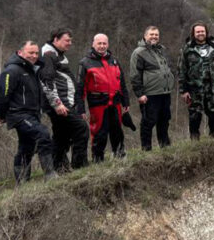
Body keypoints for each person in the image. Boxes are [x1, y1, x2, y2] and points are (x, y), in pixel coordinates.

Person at [0, 40, 57, 183]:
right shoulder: (12, 70)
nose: (34, 56)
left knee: (26, 147)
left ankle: (22, 183)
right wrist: (1, 114)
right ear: (21, 52)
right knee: (43, 134)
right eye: (30, 53)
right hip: (19, 115)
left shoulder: (33, 69)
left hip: (33, 114)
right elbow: (2, 95)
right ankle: (50, 175)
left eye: (36, 53)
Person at [76, 33, 130, 162]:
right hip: (98, 104)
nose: (102, 46)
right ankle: (98, 160)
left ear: (108, 44)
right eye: (99, 43)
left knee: (117, 131)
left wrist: (126, 101)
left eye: (104, 43)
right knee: (99, 133)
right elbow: (80, 88)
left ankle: (119, 156)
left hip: (115, 102)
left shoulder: (114, 61)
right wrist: (81, 109)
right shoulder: (85, 63)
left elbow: (122, 83)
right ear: (93, 44)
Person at [40, 28, 88, 173]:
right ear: (56, 39)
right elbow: (46, 80)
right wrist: (58, 104)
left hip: (64, 101)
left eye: (71, 40)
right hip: (59, 103)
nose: (70, 43)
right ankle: (79, 166)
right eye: (67, 40)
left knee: (61, 135)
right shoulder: (48, 55)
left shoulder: (57, 54)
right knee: (81, 128)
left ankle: (59, 168)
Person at [129, 25, 175, 151]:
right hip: (150, 94)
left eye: (156, 35)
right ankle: (146, 149)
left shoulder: (161, 50)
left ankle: (165, 147)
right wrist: (140, 94)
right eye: (151, 34)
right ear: (145, 36)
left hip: (165, 93)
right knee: (148, 123)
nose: (154, 37)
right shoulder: (139, 52)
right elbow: (134, 75)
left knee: (164, 121)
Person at [179, 22, 214, 139]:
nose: (200, 33)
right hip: (194, 87)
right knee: (195, 114)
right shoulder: (187, 49)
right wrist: (183, 90)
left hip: (212, 87)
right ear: (193, 33)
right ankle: (195, 139)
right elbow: (182, 70)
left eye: (202, 31)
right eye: (198, 32)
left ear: (206, 32)